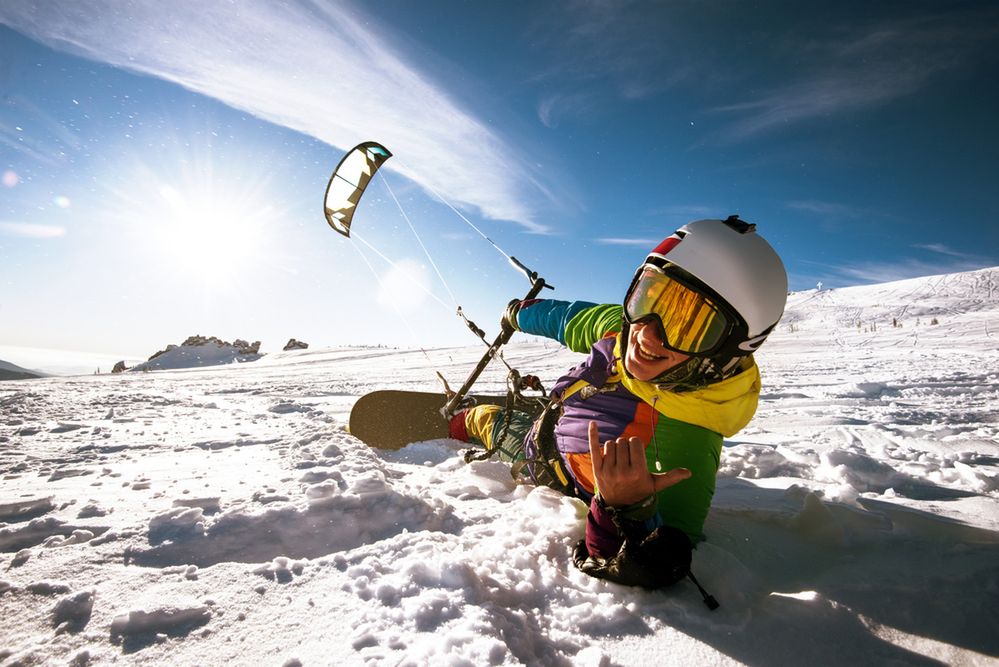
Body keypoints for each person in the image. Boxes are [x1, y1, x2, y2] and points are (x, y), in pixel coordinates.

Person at [448, 216, 788, 599]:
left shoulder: (686, 438)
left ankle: (462, 422)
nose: (647, 334)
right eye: (651, 298)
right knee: (533, 411)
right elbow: (567, 317)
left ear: (725, 352)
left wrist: (629, 509)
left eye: (689, 326)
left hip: (544, 462)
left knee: (488, 421)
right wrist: (521, 312)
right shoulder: (619, 330)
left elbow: (652, 558)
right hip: (559, 414)